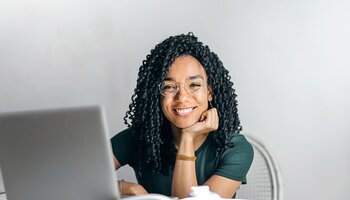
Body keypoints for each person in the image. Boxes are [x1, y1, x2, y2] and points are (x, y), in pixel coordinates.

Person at [111, 33, 254, 199]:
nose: (182, 98)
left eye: (194, 85)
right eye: (169, 87)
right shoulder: (139, 137)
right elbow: (78, 177)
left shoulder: (234, 149)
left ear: (209, 92)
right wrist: (125, 188)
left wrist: (187, 137)